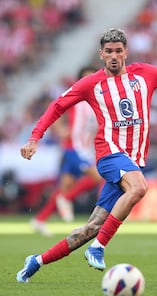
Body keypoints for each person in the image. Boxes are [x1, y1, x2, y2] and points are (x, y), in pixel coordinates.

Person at [16, 28, 157, 283]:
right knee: (139, 188)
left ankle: (36, 261)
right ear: (101, 55)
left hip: (132, 159)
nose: (114, 56)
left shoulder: (144, 73)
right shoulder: (91, 83)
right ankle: (99, 247)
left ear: (126, 52)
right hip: (109, 153)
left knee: (91, 228)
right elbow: (57, 105)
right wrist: (34, 137)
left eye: (118, 50)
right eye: (109, 52)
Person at [30, 65, 103, 236]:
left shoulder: (98, 100)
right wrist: (61, 130)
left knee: (65, 186)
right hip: (74, 148)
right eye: (86, 77)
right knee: (97, 177)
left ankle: (40, 219)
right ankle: (66, 199)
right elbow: (55, 109)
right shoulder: (77, 97)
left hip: (85, 149)